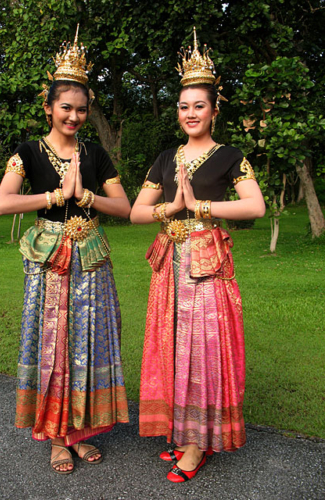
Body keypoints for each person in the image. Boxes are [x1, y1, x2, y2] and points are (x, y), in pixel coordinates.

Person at [130, 28, 265, 483]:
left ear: (214, 109)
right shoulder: (166, 157)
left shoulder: (230, 155)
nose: (190, 113)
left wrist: (201, 206)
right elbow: (135, 212)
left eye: (199, 105)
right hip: (169, 262)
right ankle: (182, 431)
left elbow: (254, 206)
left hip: (206, 262)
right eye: (184, 106)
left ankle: (197, 443)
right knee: (170, 346)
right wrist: (170, 208)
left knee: (203, 348)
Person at [0, 26, 130, 474]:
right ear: (49, 107)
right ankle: (56, 436)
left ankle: (81, 432)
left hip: (91, 259)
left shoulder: (95, 154)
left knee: (88, 341)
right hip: (49, 262)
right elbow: (4, 202)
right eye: (65, 108)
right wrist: (55, 196)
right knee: (53, 341)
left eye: (81, 110)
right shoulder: (28, 151)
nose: (73, 117)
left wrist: (87, 196)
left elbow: (125, 208)